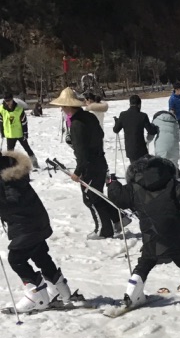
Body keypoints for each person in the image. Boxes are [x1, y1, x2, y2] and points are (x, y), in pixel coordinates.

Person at [107, 155, 180, 309]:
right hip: (176, 231)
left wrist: (113, 184)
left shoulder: (133, 187)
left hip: (152, 233)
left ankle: (131, 297)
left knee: (146, 262)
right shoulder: (172, 183)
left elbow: (118, 198)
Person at [0, 150, 72, 312]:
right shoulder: (9, 165)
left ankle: (36, 297)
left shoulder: (5, 175)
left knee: (16, 258)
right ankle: (61, 291)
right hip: (34, 219)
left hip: (26, 224)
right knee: (39, 253)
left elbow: (13, 199)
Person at [50, 86, 117, 238]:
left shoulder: (77, 124)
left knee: (90, 198)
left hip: (89, 166)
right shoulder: (90, 117)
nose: (61, 109)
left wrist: (78, 172)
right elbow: (100, 134)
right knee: (97, 194)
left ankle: (104, 230)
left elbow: (81, 151)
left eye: (62, 106)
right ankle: (118, 219)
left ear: (68, 106)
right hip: (100, 161)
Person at [113, 95, 159, 164]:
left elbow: (116, 130)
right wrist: (156, 127)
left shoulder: (123, 115)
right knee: (144, 169)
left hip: (130, 148)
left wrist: (117, 121)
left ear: (130, 104)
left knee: (134, 169)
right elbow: (151, 131)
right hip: (141, 148)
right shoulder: (143, 116)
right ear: (139, 105)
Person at [1, 92, 38, 164]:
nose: (8, 102)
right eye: (6, 101)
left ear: (12, 99)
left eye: (9, 100)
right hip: (9, 134)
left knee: (27, 148)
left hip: (19, 133)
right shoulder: (1, 109)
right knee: (10, 152)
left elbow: (24, 122)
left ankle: (34, 162)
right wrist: (2, 131)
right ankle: (10, 165)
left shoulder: (19, 109)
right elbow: (1, 121)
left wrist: (25, 132)